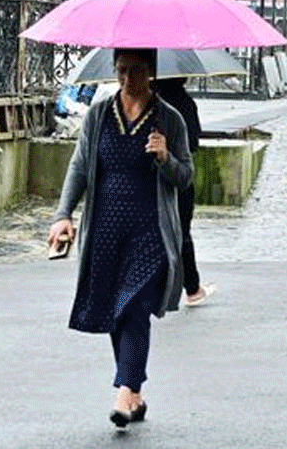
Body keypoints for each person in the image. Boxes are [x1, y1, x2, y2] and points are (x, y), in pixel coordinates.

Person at [45, 48, 192, 428]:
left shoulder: (169, 119)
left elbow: (185, 177)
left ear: (151, 72)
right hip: (106, 230)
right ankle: (136, 395)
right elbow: (79, 167)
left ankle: (125, 391)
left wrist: (166, 158)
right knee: (116, 309)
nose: (128, 79)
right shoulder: (98, 115)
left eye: (137, 70)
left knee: (134, 306)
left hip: (150, 231)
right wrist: (63, 215)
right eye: (122, 70)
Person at [153, 77, 215, 305]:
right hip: (177, 178)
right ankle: (192, 288)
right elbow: (193, 143)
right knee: (181, 233)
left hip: (150, 179)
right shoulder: (185, 104)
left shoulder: (146, 103)